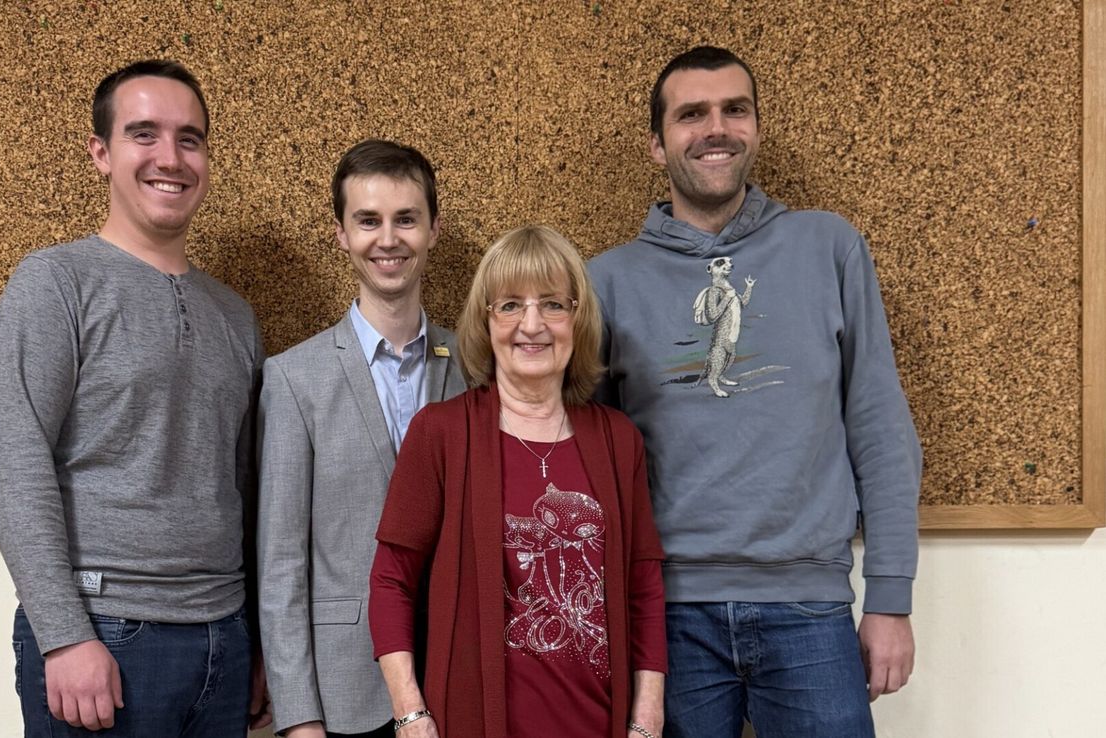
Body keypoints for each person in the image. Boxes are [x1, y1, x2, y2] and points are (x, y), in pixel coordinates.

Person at [588, 46, 922, 737]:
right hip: (667, 619)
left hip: (810, 611)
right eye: (691, 115)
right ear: (657, 144)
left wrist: (890, 599)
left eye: (734, 110)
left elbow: (880, 425)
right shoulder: (605, 283)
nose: (716, 128)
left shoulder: (828, 248)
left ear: (756, 127)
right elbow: (588, 462)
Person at [0, 60, 270, 736]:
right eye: (144, 134)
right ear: (101, 153)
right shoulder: (55, 283)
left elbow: (249, 488)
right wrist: (64, 636)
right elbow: (13, 465)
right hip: (104, 637)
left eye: (190, 139)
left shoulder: (236, 316)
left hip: (223, 640)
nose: (170, 157)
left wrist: (258, 640)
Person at [369, 225, 668, 738]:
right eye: (509, 305)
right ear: (486, 322)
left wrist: (646, 716)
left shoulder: (619, 440)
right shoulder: (441, 434)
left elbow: (643, 584)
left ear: (578, 319)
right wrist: (410, 714)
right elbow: (391, 580)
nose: (532, 324)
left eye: (553, 304)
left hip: (601, 724)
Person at [257, 139, 467, 738]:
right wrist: (298, 718)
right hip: (346, 696)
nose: (388, 238)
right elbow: (280, 566)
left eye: (406, 218)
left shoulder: (475, 368)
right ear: (341, 235)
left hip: (458, 678)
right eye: (368, 221)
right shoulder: (295, 379)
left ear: (434, 229)